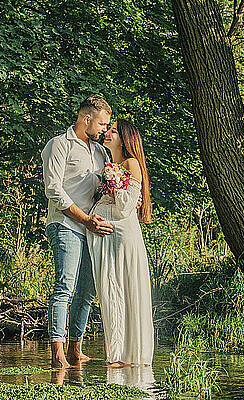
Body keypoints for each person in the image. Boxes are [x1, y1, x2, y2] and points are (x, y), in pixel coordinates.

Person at [41, 96, 114, 369]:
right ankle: (57, 352)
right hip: (66, 224)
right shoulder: (59, 145)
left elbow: (101, 190)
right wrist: (84, 219)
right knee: (65, 287)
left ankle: (76, 349)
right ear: (87, 119)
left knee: (86, 291)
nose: (104, 130)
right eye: (102, 124)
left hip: (92, 229)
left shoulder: (100, 152)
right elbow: (54, 189)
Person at [86, 118, 154, 367]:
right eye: (108, 129)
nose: (107, 133)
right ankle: (116, 354)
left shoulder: (130, 163)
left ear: (125, 140)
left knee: (123, 289)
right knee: (109, 289)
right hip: (106, 234)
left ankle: (128, 356)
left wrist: (113, 183)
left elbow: (126, 206)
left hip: (121, 235)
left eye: (113, 131)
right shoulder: (110, 164)